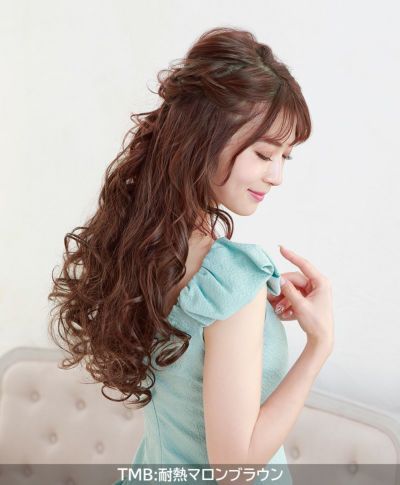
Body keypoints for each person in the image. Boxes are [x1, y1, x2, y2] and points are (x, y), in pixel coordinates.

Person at [48, 26, 334, 485]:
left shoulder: (146, 250)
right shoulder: (231, 280)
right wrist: (318, 348)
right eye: (264, 153)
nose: (277, 175)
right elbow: (234, 468)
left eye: (286, 156)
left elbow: (189, 359)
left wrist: (255, 307)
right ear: (206, 139)